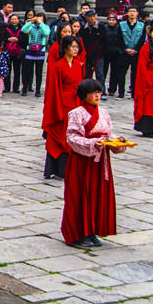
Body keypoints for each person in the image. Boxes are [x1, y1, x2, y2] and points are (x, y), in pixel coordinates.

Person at [62, 79, 124, 248]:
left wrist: (117, 141)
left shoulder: (103, 113)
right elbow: (72, 137)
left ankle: (92, 231)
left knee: (97, 195)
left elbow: (108, 134)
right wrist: (92, 144)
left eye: (99, 92)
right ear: (84, 95)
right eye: (93, 92)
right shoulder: (76, 113)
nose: (97, 95)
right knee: (81, 195)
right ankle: (78, 234)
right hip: (82, 161)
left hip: (100, 162)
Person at [42, 36, 83, 180]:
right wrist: (58, 109)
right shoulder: (58, 66)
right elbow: (54, 90)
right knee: (61, 134)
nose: (75, 49)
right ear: (65, 48)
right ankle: (58, 169)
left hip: (76, 102)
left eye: (77, 47)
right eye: (73, 46)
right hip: (62, 103)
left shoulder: (78, 65)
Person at [115, 5, 145, 98]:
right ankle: (121, 92)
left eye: (134, 11)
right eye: (130, 11)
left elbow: (142, 39)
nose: (132, 13)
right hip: (124, 52)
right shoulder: (121, 24)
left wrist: (136, 49)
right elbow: (119, 38)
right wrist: (125, 48)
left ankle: (133, 93)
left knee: (135, 74)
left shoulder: (142, 25)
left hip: (136, 53)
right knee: (121, 73)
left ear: (137, 13)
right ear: (127, 13)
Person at [20, 12, 50, 96]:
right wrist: (30, 22)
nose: (39, 19)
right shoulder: (32, 27)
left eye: (41, 17)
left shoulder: (46, 27)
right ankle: (25, 88)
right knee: (28, 71)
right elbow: (23, 30)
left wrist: (41, 24)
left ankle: (38, 90)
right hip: (30, 51)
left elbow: (46, 33)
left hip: (40, 51)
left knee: (39, 72)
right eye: (38, 17)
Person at [80, 9, 107, 99]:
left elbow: (105, 42)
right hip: (87, 55)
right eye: (90, 16)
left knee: (100, 74)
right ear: (86, 17)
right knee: (86, 74)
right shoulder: (83, 29)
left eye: (93, 16)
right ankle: (87, 90)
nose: (92, 18)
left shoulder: (101, 28)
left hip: (98, 55)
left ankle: (101, 91)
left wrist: (101, 51)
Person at [0, 13, 23, 93]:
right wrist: (8, 39)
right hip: (8, 51)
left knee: (17, 70)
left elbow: (24, 40)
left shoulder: (22, 29)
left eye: (15, 19)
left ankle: (16, 88)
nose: (14, 21)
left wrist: (17, 40)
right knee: (7, 70)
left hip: (17, 51)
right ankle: (7, 87)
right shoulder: (6, 29)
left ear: (18, 20)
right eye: (12, 19)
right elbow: (2, 39)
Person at [103, 14, 121, 96]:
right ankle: (102, 88)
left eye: (113, 20)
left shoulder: (119, 28)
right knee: (103, 71)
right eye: (110, 20)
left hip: (116, 52)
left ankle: (112, 89)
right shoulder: (104, 28)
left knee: (115, 72)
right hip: (106, 52)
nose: (111, 21)